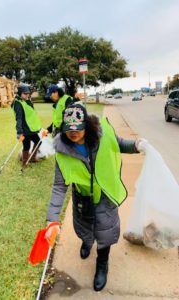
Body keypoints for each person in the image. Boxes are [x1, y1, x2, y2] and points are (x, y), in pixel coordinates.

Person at [45, 103, 147, 292]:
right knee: (84, 225)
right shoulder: (62, 151)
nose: (73, 134)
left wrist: (136, 145)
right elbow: (60, 187)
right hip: (82, 196)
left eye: (78, 129)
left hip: (104, 194)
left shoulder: (103, 135)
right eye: (69, 130)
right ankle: (87, 242)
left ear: (87, 124)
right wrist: (52, 220)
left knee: (104, 230)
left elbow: (120, 144)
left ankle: (102, 263)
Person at [11, 84, 42, 167]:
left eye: (28, 94)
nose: (27, 95)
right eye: (25, 94)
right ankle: (24, 163)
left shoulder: (25, 101)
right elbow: (19, 119)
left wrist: (29, 101)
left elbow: (31, 112)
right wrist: (19, 132)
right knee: (26, 146)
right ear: (20, 93)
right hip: (25, 129)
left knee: (38, 141)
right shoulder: (17, 103)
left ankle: (32, 158)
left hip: (31, 128)